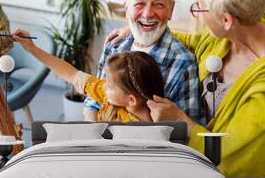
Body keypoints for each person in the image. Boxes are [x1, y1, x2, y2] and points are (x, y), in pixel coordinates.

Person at [105, 0, 265, 177]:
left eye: (200, 8)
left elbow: (226, 154)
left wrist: (179, 118)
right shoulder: (241, 24)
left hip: (247, 171)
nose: (196, 13)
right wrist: (140, 28)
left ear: (227, 20)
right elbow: (196, 41)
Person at [84, 0, 203, 124]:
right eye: (139, 4)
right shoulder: (114, 45)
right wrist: (92, 135)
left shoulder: (183, 63)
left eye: (158, 4)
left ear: (171, 10)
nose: (147, 14)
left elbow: (184, 134)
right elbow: (93, 102)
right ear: (127, 7)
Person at [12, 29, 165, 122]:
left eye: (109, 86)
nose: (104, 86)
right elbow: (71, 74)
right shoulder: (110, 96)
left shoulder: (150, 132)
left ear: (131, 100)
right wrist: (31, 48)